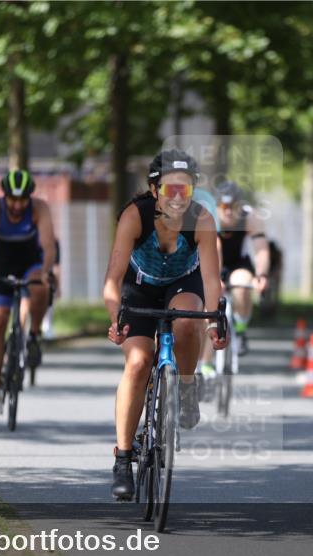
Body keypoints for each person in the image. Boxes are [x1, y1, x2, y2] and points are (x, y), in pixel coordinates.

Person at [103, 149, 227, 501]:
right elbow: (112, 281)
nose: (177, 197)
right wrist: (115, 319)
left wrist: (214, 322)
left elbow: (211, 280)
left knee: (187, 323)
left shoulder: (201, 219)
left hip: (183, 285)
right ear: (154, 189)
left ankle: (186, 387)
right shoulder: (134, 216)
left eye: (184, 189)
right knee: (139, 361)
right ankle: (123, 459)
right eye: (170, 188)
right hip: (138, 287)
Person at [0, 169, 56, 415]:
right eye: (13, 199)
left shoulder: (39, 209)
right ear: (5, 196)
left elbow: (48, 246)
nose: (18, 205)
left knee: (40, 287)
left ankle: (33, 335)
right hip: (0, 266)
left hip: (30, 264)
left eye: (23, 200)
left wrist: (46, 270)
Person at [210, 181, 271, 357]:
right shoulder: (208, 217)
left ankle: (240, 328)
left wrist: (262, 275)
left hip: (239, 263)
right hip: (212, 261)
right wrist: (214, 278)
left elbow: (261, 249)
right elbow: (213, 249)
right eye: (224, 207)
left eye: (233, 206)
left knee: (242, 284)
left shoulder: (250, 217)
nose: (228, 211)